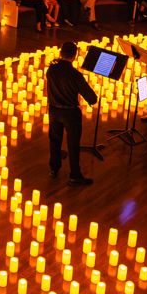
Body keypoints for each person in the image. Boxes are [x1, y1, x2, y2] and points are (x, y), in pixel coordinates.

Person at [46, 42, 99, 186]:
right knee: (73, 144)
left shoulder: (51, 70)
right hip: (70, 113)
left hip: (54, 110)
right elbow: (92, 99)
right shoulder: (75, 75)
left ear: (61, 53)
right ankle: (75, 174)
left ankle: (54, 168)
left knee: (54, 140)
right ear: (75, 56)